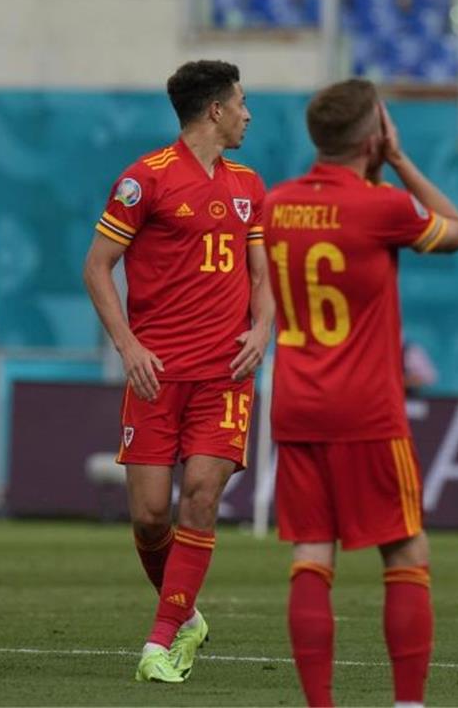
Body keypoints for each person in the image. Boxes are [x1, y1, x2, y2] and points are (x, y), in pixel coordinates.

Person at [264, 79, 458, 707]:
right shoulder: (381, 205)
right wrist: (401, 161)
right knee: (405, 548)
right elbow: (456, 229)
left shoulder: (274, 204)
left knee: (310, 553)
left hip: (296, 404)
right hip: (367, 410)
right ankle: (407, 704)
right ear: (375, 136)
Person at [82, 60, 274, 684]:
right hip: (155, 375)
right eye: (241, 103)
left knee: (200, 497)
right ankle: (186, 614)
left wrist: (263, 327)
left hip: (225, 373)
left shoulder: (250, 184)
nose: (248, 113)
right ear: (214, 110)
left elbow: (261, 275)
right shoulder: (146, 180)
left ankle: (162, 641)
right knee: (149, 518)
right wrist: (128, 346)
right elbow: (97, 267)